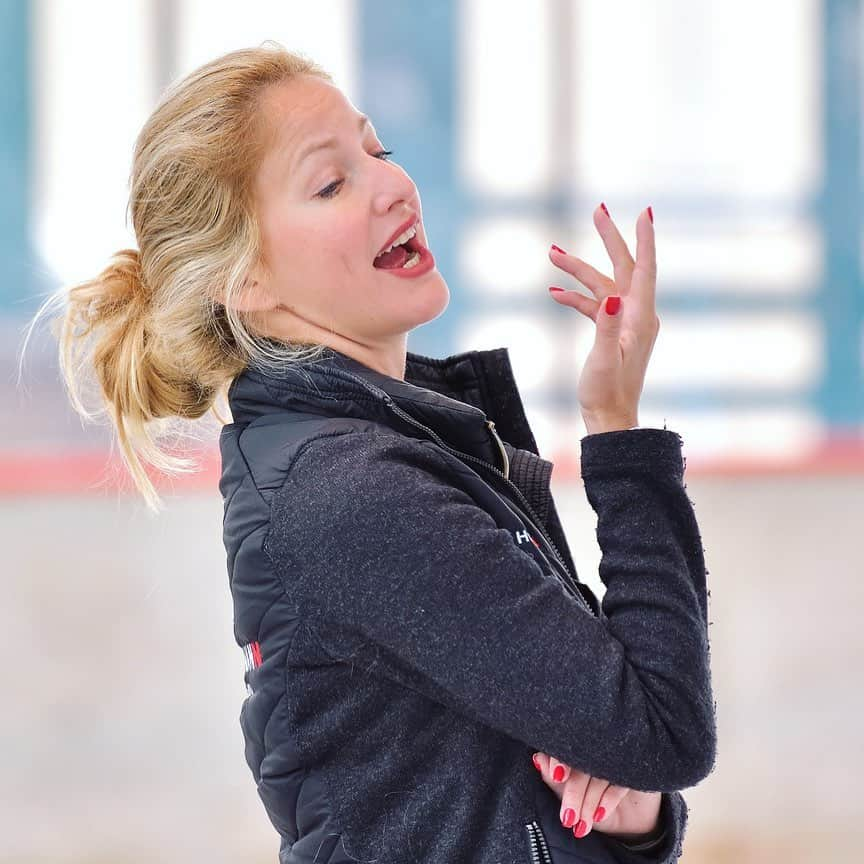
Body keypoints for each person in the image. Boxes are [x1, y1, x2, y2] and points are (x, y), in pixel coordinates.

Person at [29, 42, 716, 864]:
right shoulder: (352, 493)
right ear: (248, 281)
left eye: (377, 150)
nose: (393, 185)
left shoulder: (390, 448)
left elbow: (589, 764)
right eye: (331, 183)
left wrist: (636, 815)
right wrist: (617, 431)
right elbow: (664, 727)